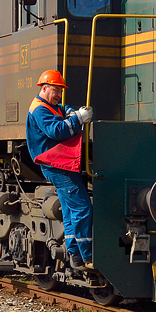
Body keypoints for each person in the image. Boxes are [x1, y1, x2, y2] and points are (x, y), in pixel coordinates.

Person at [25, 69, 93, 269]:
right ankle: (87, 255)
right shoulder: (40, 109)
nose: (59, 95)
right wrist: (78, 119)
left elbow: (65, 110)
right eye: (55, 90)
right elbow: (56, 130)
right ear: (44, 88)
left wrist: (72, 113)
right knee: (82, 208)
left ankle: (75, 255)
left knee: (72, 210)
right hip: (56, 164)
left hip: (60, 164)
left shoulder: (50, 106)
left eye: (60, 91)